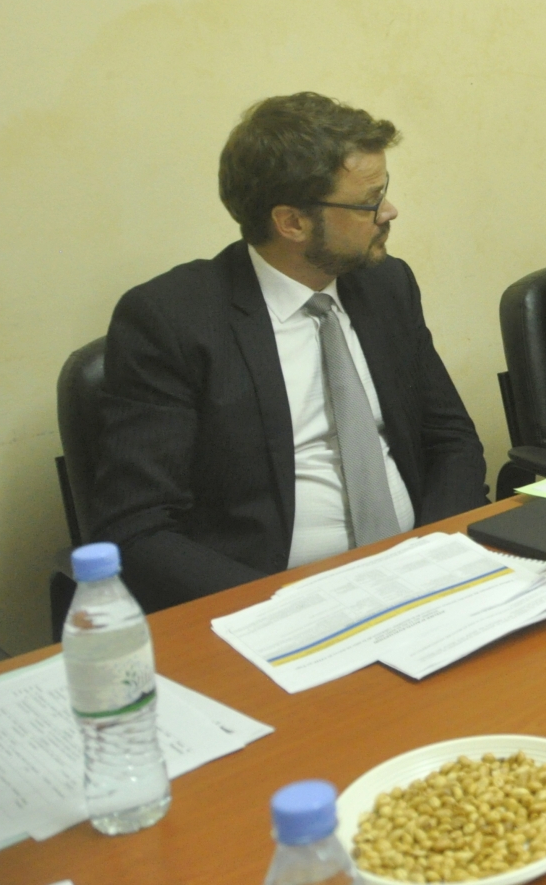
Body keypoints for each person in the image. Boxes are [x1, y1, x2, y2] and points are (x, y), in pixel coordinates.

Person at [88, 93, 486, 611]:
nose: (389, 212)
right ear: (292, 223)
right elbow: (138, 525)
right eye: (369, 202)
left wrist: (436, 556)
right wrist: (283, 607)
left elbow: (450, 439)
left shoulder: (386, 285)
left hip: (421, 575)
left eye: (383, 191)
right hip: (275, 600)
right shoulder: (172, 321)